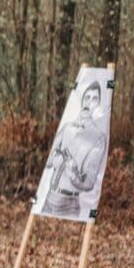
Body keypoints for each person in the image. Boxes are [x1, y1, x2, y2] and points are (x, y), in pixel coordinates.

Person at [37, 80, 109, 220]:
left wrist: (72, 172)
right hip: (48, 198)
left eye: (94, 99)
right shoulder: (67, 128)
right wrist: (57, 160)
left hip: (69, 204)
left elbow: (88, 183)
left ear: (98, 105)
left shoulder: (98, 138)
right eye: (87, 97)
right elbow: (49, 161)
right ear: (82, 101)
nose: (89, 102)